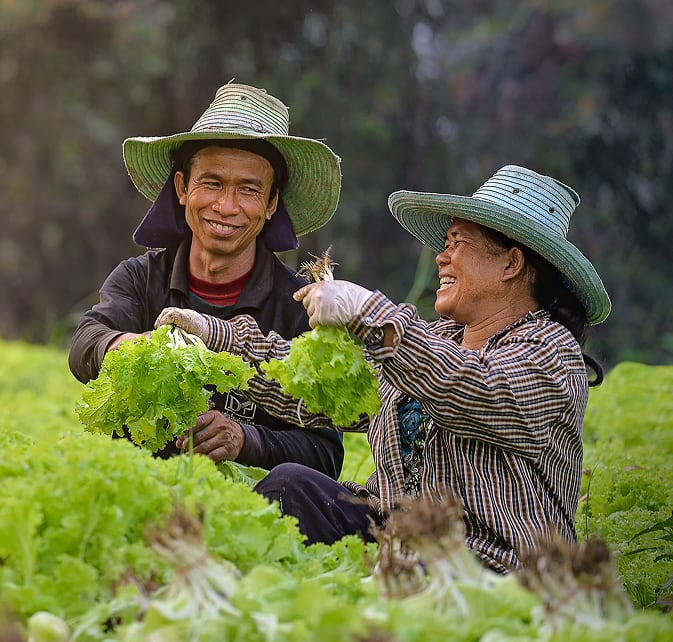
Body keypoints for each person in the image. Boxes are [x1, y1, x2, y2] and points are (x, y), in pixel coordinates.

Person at [156, 165, 611, 573]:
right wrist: (219, 339)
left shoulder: (550, 352)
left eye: (457, 245)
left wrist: (368, 313)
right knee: (291, 487)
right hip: (393, 540)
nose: (442, 257)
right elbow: (323, 392)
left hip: (487, 564)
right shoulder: (438, 340)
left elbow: (471, 388)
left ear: (511, 263)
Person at [68, 82, 345, 479]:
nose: (226, 206)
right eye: (211, 182)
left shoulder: (301, 309)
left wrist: (246, 440)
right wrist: (124, 345)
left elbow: (326, 453)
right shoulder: (140, 278)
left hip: (247, 514)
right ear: (183, 188)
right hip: (144, 497)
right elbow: (84, 341)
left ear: (270, 204)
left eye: (248, 189)